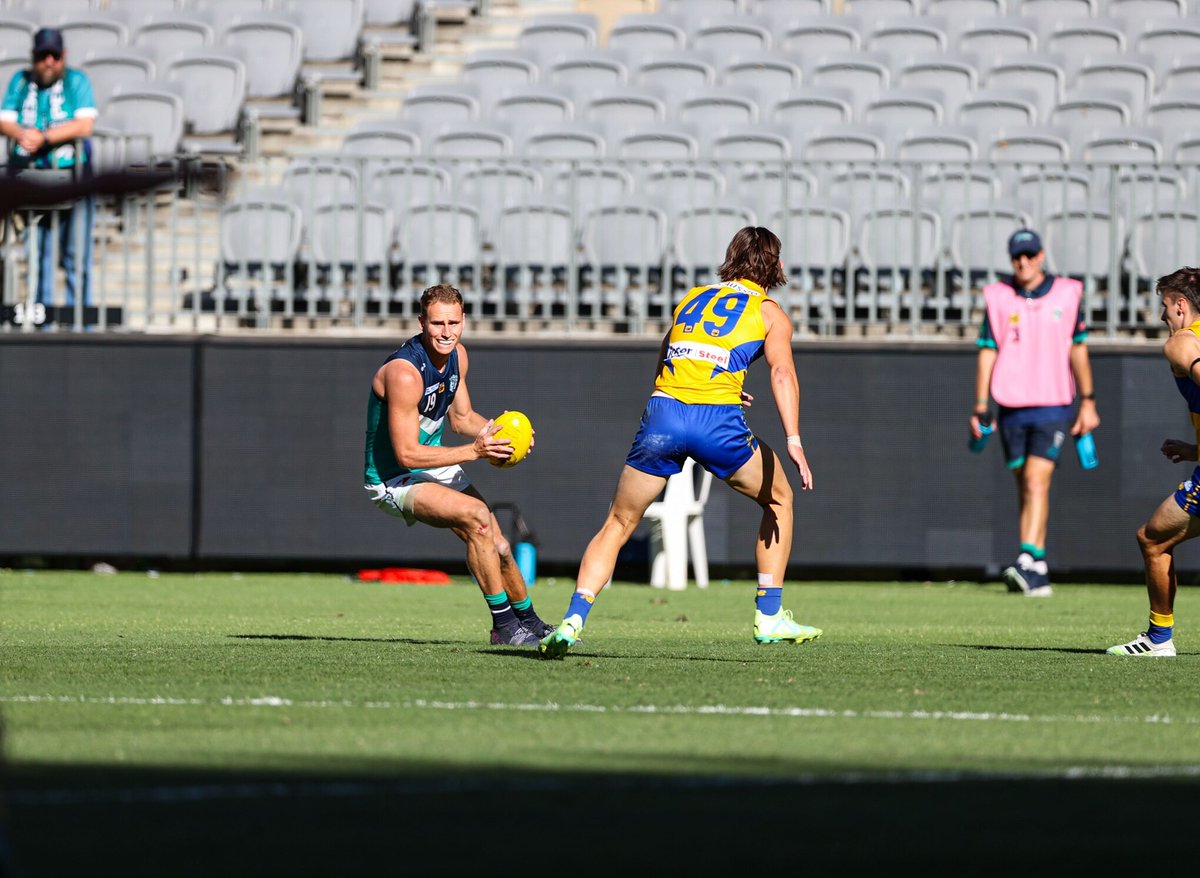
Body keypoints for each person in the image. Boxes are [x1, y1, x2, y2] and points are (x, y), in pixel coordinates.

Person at [539, 226, 822, 658]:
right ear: (774, 266)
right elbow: (782, 373)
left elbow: (670, 354)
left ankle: (573, 619)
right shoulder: (770, 312)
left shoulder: (691, 297)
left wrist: (687, 389)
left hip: (664, 414)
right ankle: (770, 615)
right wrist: (794, 439)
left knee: (618, 523)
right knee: (779, 498)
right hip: (716, 423)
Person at [363, 284, 553, 647]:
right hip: (392, 478)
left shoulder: (458, 357)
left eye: (453, 322)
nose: (446, 332)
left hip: (431, 463)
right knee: (478, 517)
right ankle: (504, 627)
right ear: (421, 323)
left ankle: (531, 622)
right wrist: (476, 451)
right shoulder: (404, 373)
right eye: (437, 323)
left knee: (499, 545)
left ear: (464, 321)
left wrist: (499, 437)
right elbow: (407, 454)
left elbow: (462, 417)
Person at [969, 228, 1100, 597]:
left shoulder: (1068, 293)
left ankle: (1027, 557)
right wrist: (981, 406)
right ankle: (1038, 570)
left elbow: (1078, 348)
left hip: (1053, 403)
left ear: (1041, 255)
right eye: (1017, 257)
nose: (1023, 262)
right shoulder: (998, 297)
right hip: (1010, 405)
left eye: (1029, 255)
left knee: (1036, 482)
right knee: (1024, 486)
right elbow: (987, 350)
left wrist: (1088, 400)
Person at [1107, 267, 1200, 657]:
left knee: (1153, 538)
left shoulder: (1181, 343)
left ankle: (1159, 639)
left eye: (1164, 306)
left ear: (1181, 305)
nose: (1162, 316)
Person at [0, 27, 97, 310]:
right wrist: (21, 134)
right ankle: (43, 321)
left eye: (54, 55)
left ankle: (79, 323)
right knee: (38, 256)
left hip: (74, 178)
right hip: (33, 180)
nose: (49, 62)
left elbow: (84, 124)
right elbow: (4, 119)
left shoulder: (76, 81)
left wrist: (43, 138)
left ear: (63, 56)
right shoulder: (21, 81)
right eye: (43, 56)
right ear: (34, 57)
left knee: (76, 256)